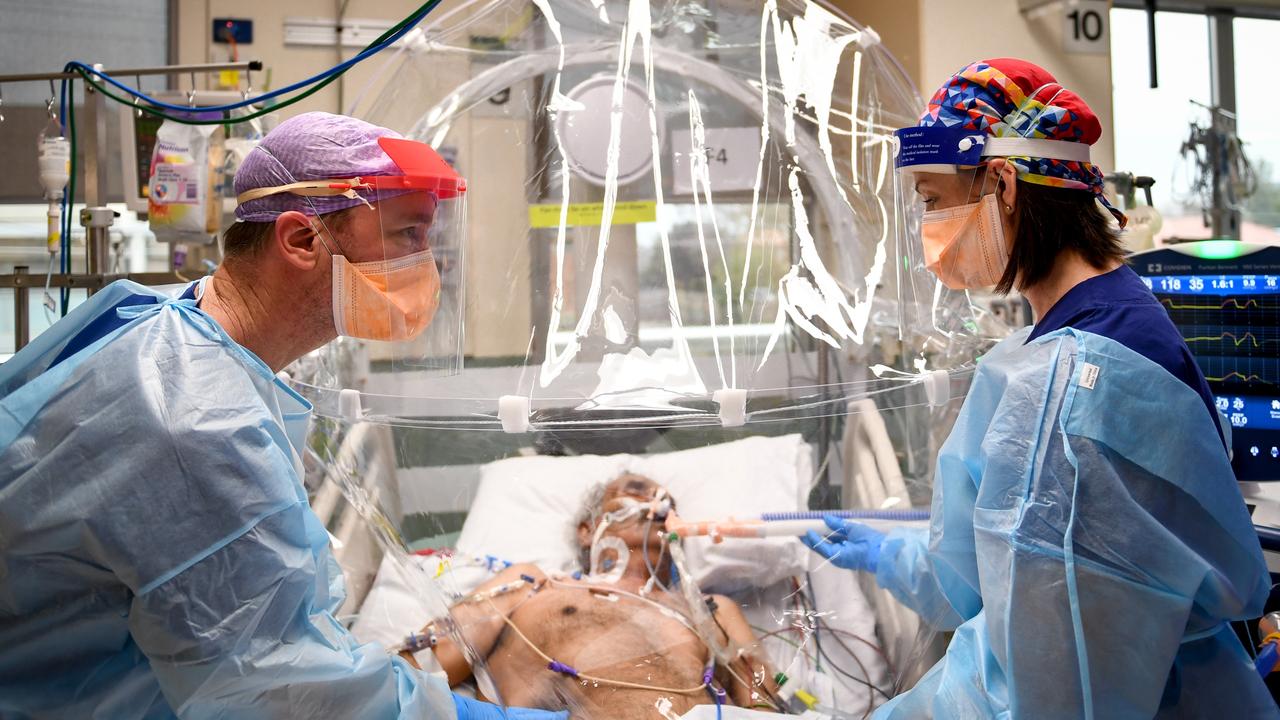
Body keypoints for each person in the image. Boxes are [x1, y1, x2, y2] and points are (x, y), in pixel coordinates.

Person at [0, 112, 563, 720]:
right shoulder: (198, 425)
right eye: (408, 234)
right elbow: (292, 696)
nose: (429, 264)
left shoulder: (163, 321)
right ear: (300, 241)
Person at [803, 58, 1276, 718]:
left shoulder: (1081, 384)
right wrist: (889, 554)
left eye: (936, 202)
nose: (930, 231)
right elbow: (983, 578)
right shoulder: (1104, 322)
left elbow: (1049, 689)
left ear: (1001, 182)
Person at [429, 474, 781, 718]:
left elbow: (762, 707)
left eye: (667, 502)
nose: (655, 503)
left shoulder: (710, 610)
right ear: (588, 530)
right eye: (636, 491)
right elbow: (417, 673)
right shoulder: (531, 584)